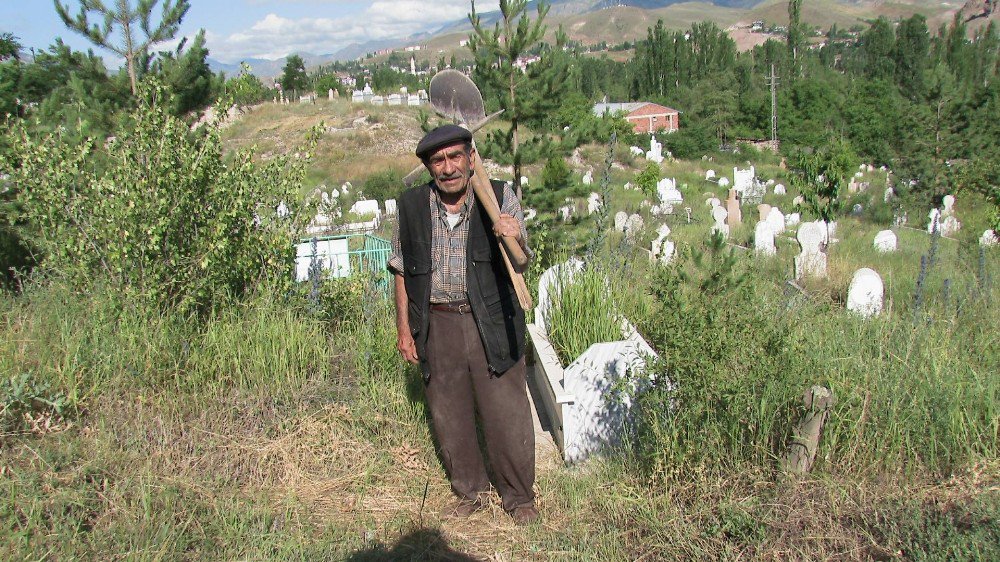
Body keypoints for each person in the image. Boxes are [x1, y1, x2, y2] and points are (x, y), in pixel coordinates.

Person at [387, 124, 538, 524]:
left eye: (456, 157)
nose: (448, 167)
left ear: (472, 159)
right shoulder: (411, 208)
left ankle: (520, 498)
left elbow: (522, 262)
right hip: (437, 323)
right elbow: (401, 271)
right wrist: (405, 328)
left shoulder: (500, 198)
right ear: (428, 167)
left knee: (506, 411)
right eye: (438, 160)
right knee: (448, 412)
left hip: (492, 318)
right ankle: (470, 492)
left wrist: (514, 237)